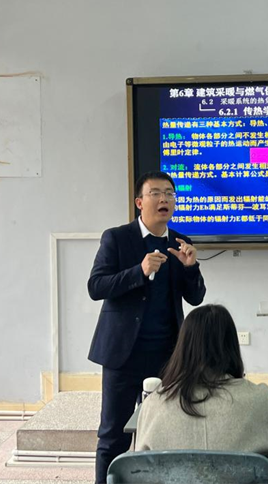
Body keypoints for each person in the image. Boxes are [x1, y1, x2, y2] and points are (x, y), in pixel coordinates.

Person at [87, 171, 206, 484]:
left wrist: (191, 268)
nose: (164, 199)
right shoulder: (116, 238)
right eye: (156, 193)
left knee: (167, 432)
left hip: (169, 356)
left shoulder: (180, 242)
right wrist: (138, 271)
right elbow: (96, 286)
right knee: (113, 435)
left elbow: (196, 298)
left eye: (169, 193)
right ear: (140, 202)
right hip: (123, 355)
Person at [135, 304, 268, 455]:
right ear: (232, 346)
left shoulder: (153, 405)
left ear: (182, 348)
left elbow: (135, 463)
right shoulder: (258, 399)